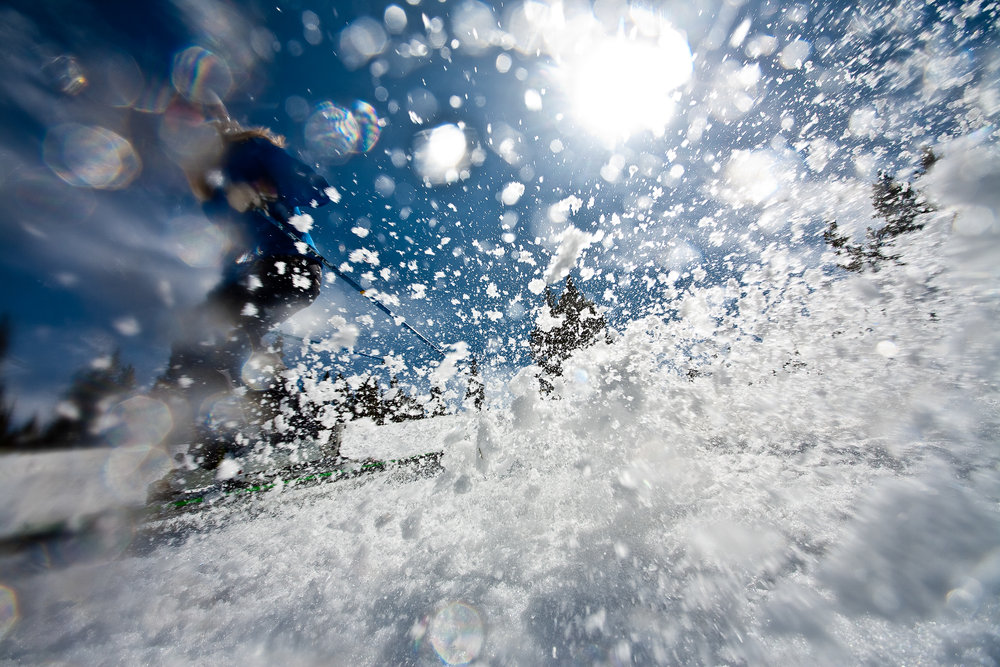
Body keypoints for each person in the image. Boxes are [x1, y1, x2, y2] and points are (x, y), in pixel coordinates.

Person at [156, 105, 334, 468]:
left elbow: (320, 191)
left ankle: (297, 436)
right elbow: (233, 249)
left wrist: (266, 190)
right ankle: (218, 452)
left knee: (221, 341)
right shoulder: (212, 190)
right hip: (259, 270)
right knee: (201, 343)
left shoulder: (251, 151)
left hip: (293, 266)